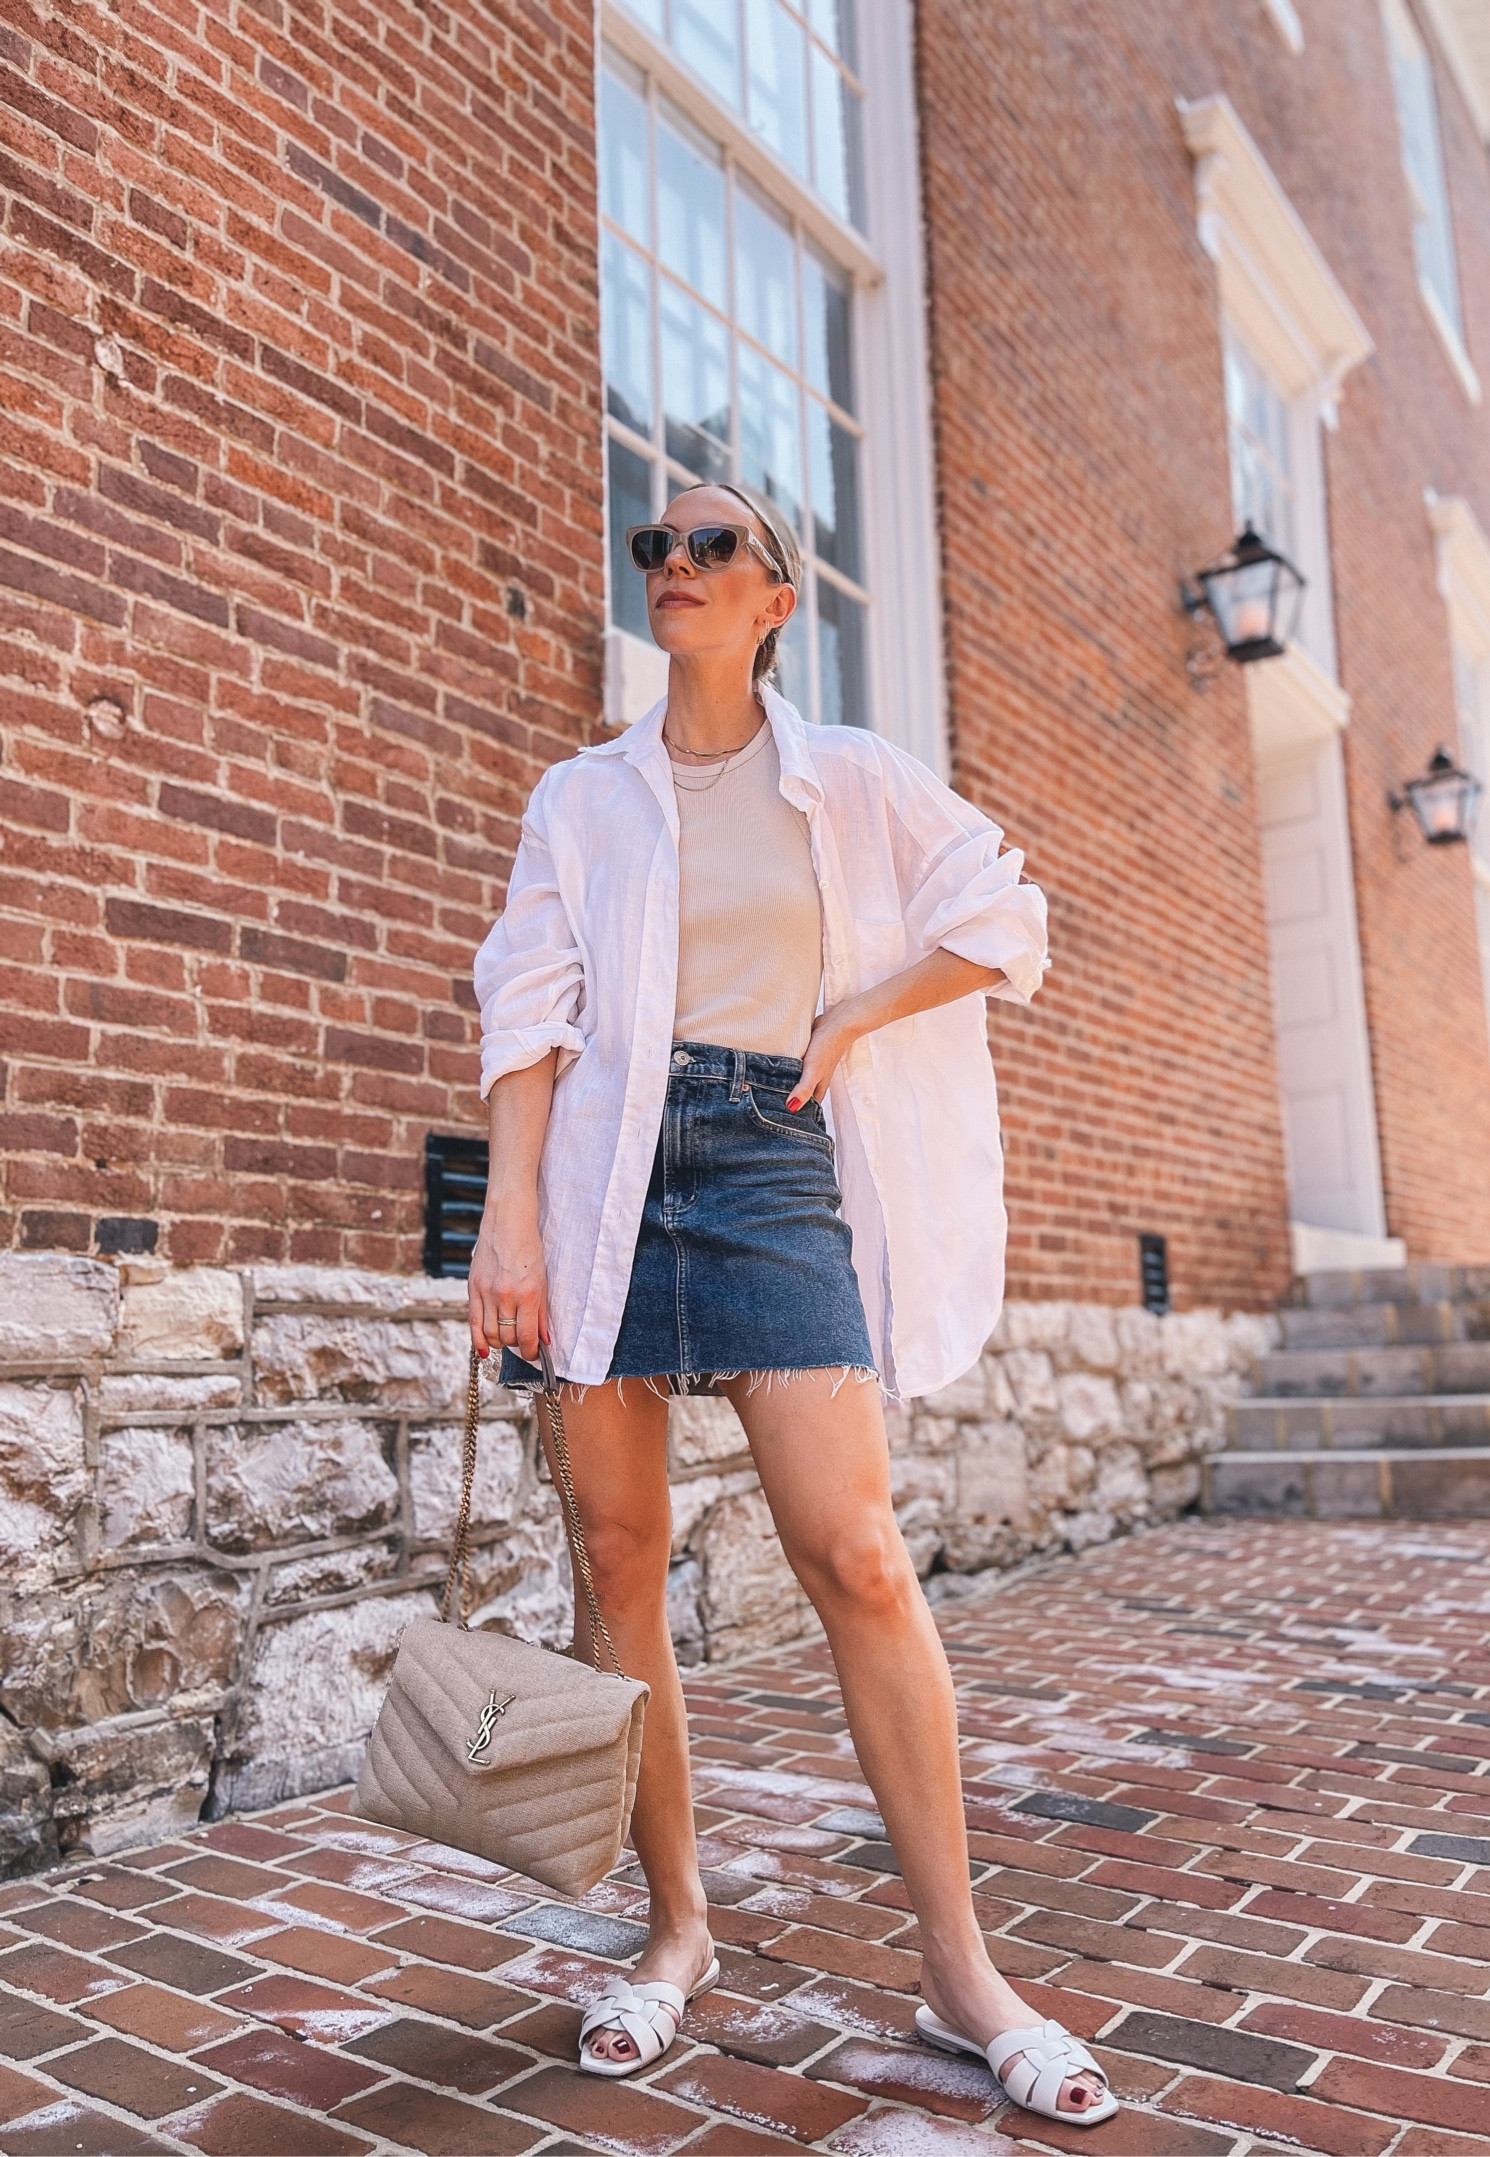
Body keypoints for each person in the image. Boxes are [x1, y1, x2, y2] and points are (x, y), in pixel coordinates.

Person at [468, 480, 1116, 2127]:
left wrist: (850, 1022)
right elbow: (529, 1015)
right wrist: (507, 1223)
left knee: (858, 1552)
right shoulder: (581, 796)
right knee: (614, 1557)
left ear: (775, 599)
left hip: (769, 1160)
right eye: (654, 548)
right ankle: (676, 1927)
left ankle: (959, 1968)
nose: (671, 566)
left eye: (709, 547)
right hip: (611, 1176)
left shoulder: (850, 779)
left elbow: (1004, 914)